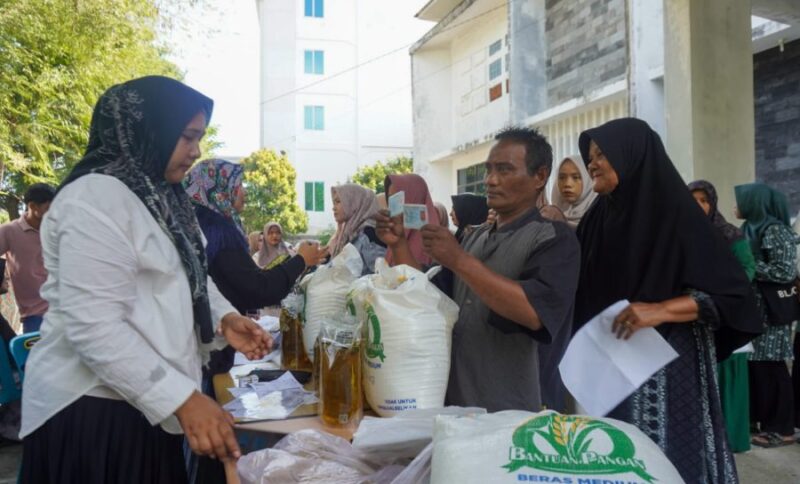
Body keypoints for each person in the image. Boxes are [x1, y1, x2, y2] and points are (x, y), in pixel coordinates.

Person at [18, 76, 271, 483]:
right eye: (187, 137)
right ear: (148, 130)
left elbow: (187, 274)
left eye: (200, 138)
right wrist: (184, 400)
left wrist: (223, 318)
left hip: (146, 404)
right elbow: (94, 326)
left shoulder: (160, 197)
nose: (196, 151)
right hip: (94, 415)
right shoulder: (95, 197)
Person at [574, 118, 761, 483]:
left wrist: (661, 309)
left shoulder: (676, 214)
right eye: (590, 156)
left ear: (631, 157)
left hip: (669, 365)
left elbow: (735, 295)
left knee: (668, 455)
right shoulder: (598, 218)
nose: (592, 163)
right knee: (613, 454)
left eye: (601, 154)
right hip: (610, 363)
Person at [377, 126, 580, 412]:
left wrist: (459, 260)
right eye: (489, 170)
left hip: (510, 407)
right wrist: (399, 245)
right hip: (455, 402)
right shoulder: (475, 236)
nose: (491, 180)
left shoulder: (553, 238)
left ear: (540, 176)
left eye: (505, 170)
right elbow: (429, 295)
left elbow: (533, 313)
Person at [183, 158, 323, 482]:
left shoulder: (211, 226)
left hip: (214, 340)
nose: (243, 193)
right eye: (237, 186)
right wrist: (300, 259)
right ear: (219, 191)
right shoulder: (217, 231)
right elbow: (257, 288)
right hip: (209, 349)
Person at [689, 179, 756, 453]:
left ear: (712, 203)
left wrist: (720, 293)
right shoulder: (682, 233)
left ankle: (732, 440)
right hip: (694, 317)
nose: (698, 205)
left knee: (728, 376)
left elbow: (747, 270)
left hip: (727, 315)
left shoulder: (730, 235)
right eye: (693, 199)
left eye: (704, 200)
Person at [734, 183, 797, 448]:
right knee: (757, 368)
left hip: (772, 312)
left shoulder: (775, 231)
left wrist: (748, 264)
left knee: (772, 368)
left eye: (740, 200)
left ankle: (782, 429)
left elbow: (784, 271)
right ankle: (762, 421)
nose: (736, 206)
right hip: (754, 311)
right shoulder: (748, 229)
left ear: (753, 202)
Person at [0, 183, 55, 332]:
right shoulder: (9, 231)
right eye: (49, 209)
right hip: (35, 315)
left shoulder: (58, 230)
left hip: (67, 309)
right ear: (33, 206)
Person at [383, 174, 441, 267]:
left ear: (415, 199)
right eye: (391, 199)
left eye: (399, 199)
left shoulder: (434, 242)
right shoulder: (394, 235)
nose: (394, 206)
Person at [328, 184, 386, 275]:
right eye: (334, 203)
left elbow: (381, 275)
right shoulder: (348, 232)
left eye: (338, 202)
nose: (333, 208)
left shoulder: (369, 233)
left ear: (354, 203)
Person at [551, 154, 597, 229]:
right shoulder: (552, 217)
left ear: (588, 180)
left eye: (576, 177)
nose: (567, 184)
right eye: (562, 177)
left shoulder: (598, 217)